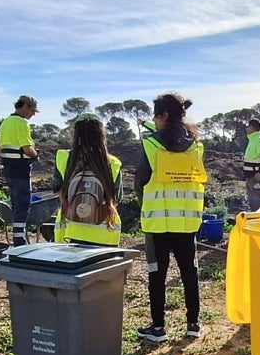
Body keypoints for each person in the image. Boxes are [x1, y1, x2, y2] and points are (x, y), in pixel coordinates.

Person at [135, 93, 206, 341]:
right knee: (189, 271)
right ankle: (193, 324)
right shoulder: (196, 146)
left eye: (156, 115)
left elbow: (140, 182)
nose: (153, 120)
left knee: (157, 274)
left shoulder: (150, 144)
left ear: (163, 116)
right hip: (187, 221)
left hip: (158, 222)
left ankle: (158, 328)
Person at [50, 116, 122, 245]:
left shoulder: (63, 157)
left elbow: (58, 189)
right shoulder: (113, 162)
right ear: (101, 134)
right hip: (104, 232)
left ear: (76, 133)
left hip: (71, 230)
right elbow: (117, 197)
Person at [0, 95, 39, 246]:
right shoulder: (22, 123)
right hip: (21, 170)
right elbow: (27, 149)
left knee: (16, 205)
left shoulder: (6, 122)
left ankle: (17, 239)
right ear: (25, 107)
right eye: (32, 110)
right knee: (22, 206)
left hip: (9, 170)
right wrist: (35, 155)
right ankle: (20, 242)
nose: (33, 114)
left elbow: (0, 148)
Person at [242, 117, 260, 210]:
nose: (246, 128)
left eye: (247, 126)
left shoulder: (259, 140)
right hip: (251, 178)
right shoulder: (253, 140)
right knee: (253, 204)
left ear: (252, 127)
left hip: (256, 178)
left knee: (259, 203)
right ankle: (255, 221)